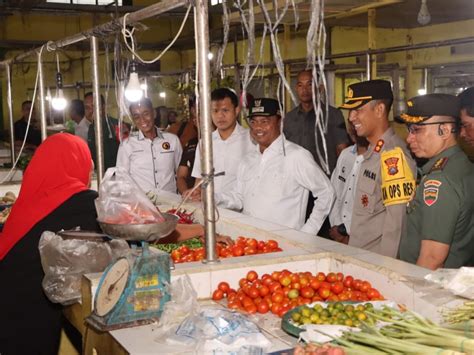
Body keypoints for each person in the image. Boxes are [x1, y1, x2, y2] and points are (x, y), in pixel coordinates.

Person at [0, 133, 100, 355]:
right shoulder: (81, 202)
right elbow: (118, 229)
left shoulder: (34, 197)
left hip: (9, 300)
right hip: (28, 313)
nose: (90, 172)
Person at [215, 98, 335, 234]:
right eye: (253, 122)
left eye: (265, 122)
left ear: (280, 122)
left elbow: (327, 192)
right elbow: (239, 198)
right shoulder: (247, 160)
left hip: (286, 244)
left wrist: (307, 232)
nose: (258, 127)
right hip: (251, 242)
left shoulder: (296, 156)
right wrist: (212, 198)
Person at [340, 80, 416, 258]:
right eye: (350, 111)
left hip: (375, 265)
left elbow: (397, 225)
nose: (351, 118)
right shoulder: (373, 152)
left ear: (380, 110)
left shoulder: (392, 156)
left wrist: (385, 271)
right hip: (359, 259)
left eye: (358, 110)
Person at [397, 94, 474, 269]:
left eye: (417, 129)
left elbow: (432, 257)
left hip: (431, 286)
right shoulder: (462, 165)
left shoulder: (440, 180)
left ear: (445, 131)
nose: (409, 138)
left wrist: (410, 294)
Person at [187, 88, 254, 198]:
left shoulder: (250, 139)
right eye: (215, 111)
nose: (220, 116)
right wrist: (195, 192)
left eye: (225, 110)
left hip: (242, 209)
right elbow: (199, 179)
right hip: (211, 208)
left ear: (236, 110)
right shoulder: (205, 142)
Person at [284, 69, 349, 174]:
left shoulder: (333, 115)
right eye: (300, 85)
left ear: (320, 88)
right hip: (296, 180)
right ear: (296, 88)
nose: (304, 90)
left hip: (325, 181)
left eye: (310, 84)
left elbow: (342, 150)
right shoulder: (289, 118)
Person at [116, 98, 182, 194]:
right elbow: (121, 178)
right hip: (142, 204)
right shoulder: (127, 145)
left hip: (171, 202)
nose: (142, 120)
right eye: (136, 116)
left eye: (146, 114)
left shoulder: (172, 140)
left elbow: (181, 173)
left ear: (154, 113)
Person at [329, 118, 369, 244]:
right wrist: (337, 226)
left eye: (357, 124)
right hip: (338, 234)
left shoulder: (378, 158)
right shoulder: (345, 155)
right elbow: (334, 192)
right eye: (350, 125)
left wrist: (347, 230)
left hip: (363, 238)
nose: (353, 129)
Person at [85, 92, 128, 170]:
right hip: (100, 176)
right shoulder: (91, 128)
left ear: (103, 107)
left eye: (94, 106)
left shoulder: (117, 125)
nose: (91, 110)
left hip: (117, 176)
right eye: (87, 108)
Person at [176, 97, 199, 194]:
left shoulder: (219, 143)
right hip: (192, 199)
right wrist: (186, 193)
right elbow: (181, 176)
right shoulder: (191, 143)